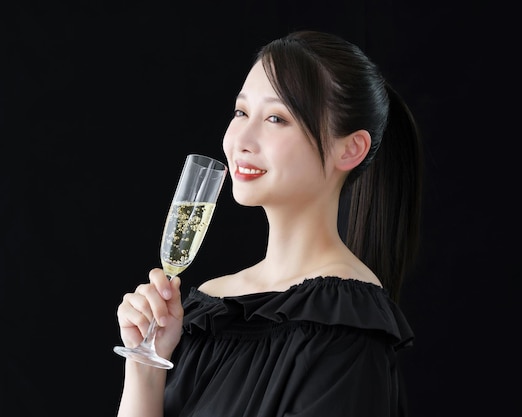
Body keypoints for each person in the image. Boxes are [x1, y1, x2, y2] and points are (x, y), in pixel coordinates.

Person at [115, 30, 422, 417]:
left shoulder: (346, 330)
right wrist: (145, 366)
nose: (240, 138)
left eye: (276, 118)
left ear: (351, 149)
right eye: (241, 112)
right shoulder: (206, 309)